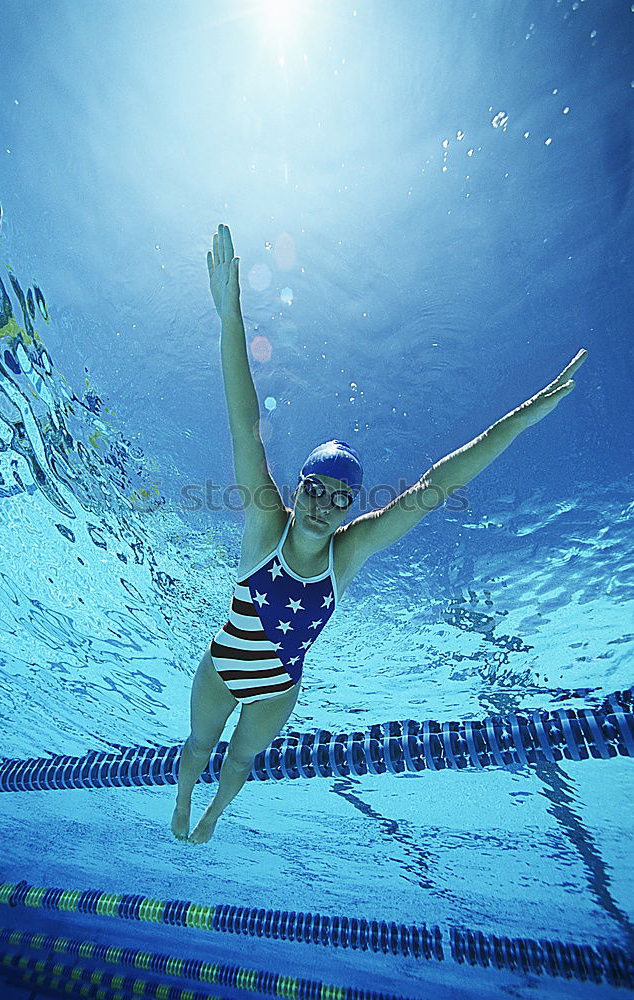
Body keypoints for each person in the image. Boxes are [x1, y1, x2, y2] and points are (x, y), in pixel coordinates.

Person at [171, 223, 588, 845]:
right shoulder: (267, 525)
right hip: (225, 663)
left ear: (348, 509)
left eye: (340, 500)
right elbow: (245, 422)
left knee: (238, 761)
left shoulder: (350, 550)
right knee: (202, 742)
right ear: (301, 485)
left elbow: (434, 487)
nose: (322, 507)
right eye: (315, 489)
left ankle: (210, 818)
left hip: (279, 688)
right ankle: (181, 810)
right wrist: (228, 311)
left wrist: (525, 415)